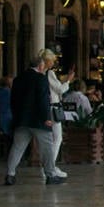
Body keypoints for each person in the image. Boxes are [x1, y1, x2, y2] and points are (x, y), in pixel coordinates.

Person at [4, 54, 62, 185]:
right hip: (38, 120)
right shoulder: (41, 78)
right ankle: (51, 175)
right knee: (47, 148)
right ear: (40, 65)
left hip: (22, 120)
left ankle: (10, 174)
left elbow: (13, 100)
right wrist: (46, 117)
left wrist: (17, 116)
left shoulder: (18, 79)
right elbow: (43, 100)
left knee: (17, 147)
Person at [42, 49, 72, 177]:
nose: (54, 63)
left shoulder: (41, 73)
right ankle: (51, 166)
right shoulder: (49, 73)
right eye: (52, 60)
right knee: (57, 137)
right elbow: (60, 89)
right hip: (53, 108)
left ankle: (49, 165)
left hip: (46, 107)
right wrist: (68, 81)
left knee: (49, 138)